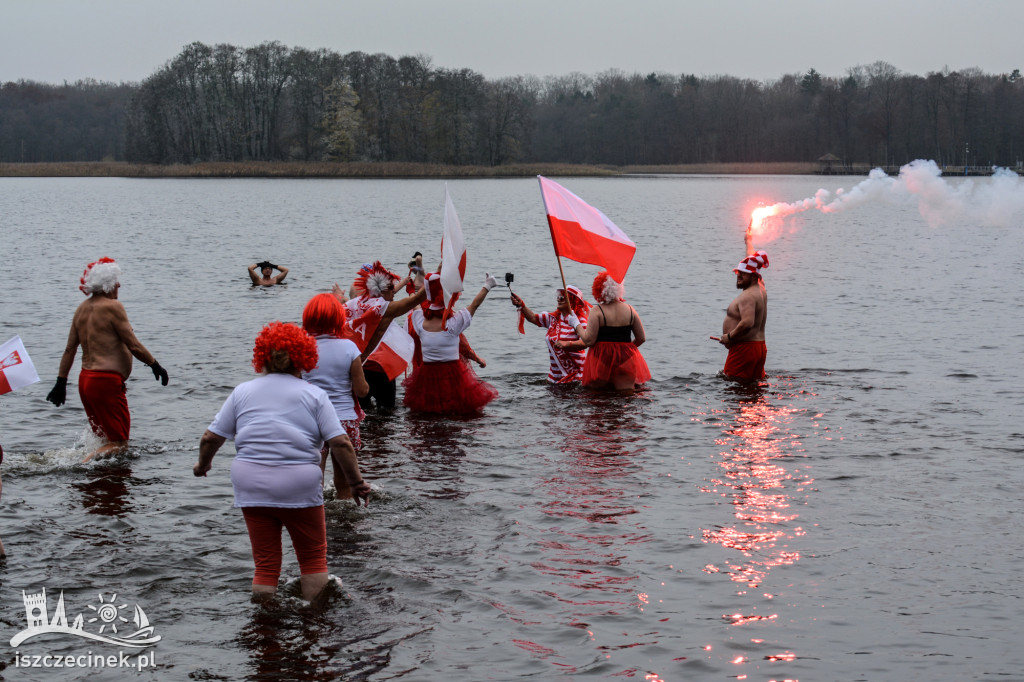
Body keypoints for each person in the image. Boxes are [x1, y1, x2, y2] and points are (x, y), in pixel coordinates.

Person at [193, 322, 371, 604]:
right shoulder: (314, 395)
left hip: (251, 483)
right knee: (312, 562)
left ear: (262, 356)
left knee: (265, 566)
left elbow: (210, 438)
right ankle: (313, 626)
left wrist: (203, 465)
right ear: (305, 358)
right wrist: (356, 483)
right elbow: (341, 443)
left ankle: (265, 627)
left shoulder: (242, 392)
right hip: (298, 484)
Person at [45, 258, 169, 463]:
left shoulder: (81, 309)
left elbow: (69, 349)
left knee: (105, 441)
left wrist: (60, 382)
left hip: (86, 382)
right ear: (108, 284)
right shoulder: (113, 307)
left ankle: (97, 483)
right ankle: (81, 466)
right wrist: (155, 365)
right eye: (116, 280)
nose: (119, 285)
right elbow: (134, 345)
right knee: (119, 445)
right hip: (105, 383)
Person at [301, 293, 370, 496]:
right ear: (339, 318)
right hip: (345, 420)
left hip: (312, 420)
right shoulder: (349, 348)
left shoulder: (302, 349)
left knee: (315, 477)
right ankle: (347, 519)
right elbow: (362, 391)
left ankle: (316, 516)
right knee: (345, 480)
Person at [403, 273, 499, 413]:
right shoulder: (453, 324)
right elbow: (474, 305)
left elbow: (416, 305)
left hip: (427, 376)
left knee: (429, 411)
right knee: (456, 410)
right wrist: (488, 285)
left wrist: (412, 292)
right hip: (453, 375)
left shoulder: (419, 323)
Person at [345, 261, 424, 411]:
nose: (393, 292)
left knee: (363, 409)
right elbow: (405, 301)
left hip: (360, 365)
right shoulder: (385, 308)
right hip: (382, 365)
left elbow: (388, 296)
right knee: (387, 410)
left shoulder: (355, 302)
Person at [568, 272, 650, 392]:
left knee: (598, 396)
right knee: (626, 394)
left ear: (598, 289)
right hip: (625, 359)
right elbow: (641, 338)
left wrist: (576, 324)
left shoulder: (597, 311)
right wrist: (626, 350)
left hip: (601, 358)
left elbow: (589, 340)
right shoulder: (631, 310)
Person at [510, 285, 590, 384]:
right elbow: (533, 318)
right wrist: (521, 304)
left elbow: (586, 342)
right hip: (554, 377)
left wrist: (567, 344)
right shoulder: (554, 318)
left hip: (575, 376)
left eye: (562, 298)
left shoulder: (579, 320)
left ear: (572, 301)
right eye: (558, 297)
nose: (558, 300)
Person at [717, 230, 768, 381]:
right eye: (738, 272)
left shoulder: (747, 296)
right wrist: (748, 241)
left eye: (743, 274)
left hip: (744, 349)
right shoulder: (760, 287)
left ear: (753, 276)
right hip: (759, 348)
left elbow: (747, 322)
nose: (739, 276)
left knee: (733, 386)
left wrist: (729, 337)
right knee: (753, 388)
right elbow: (751, 258)